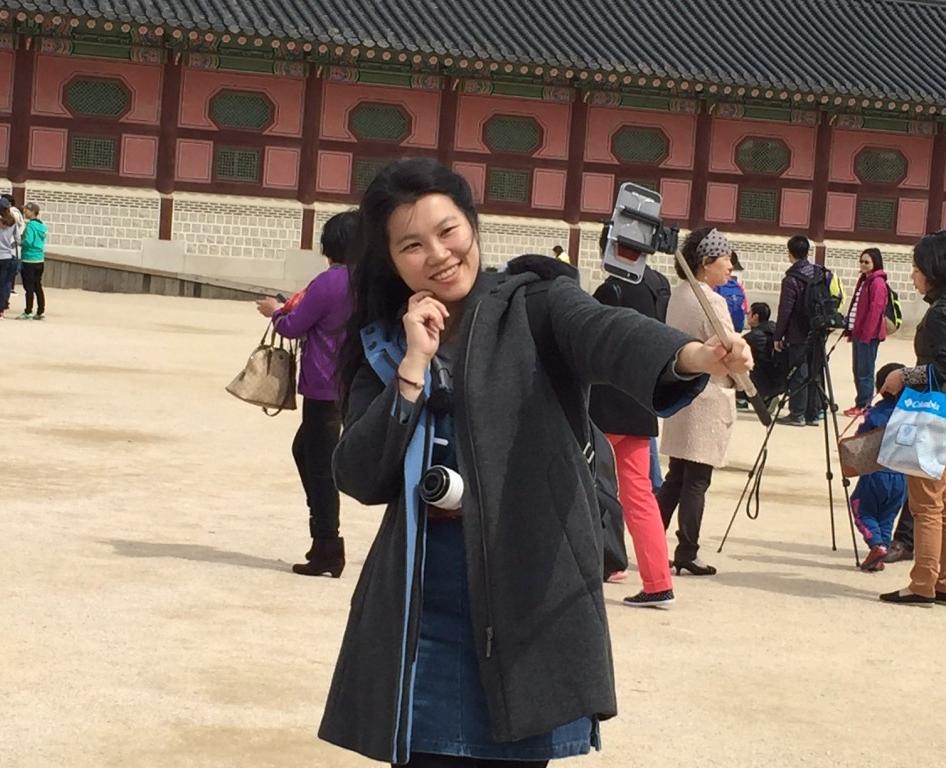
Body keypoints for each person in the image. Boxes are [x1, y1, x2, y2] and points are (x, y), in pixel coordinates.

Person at [317, 158, 751, 766]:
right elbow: (360, 476)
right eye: (412, 245)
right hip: (422, 614)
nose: (438, 254)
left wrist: (690, 355)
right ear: (390, 259)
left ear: (472, 225)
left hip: (527, 604)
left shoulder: (535, 304)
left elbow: (605, 331)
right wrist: (412, 369)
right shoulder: (385, 342)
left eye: (448, 231)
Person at [255, 211, 357, 578]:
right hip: (350, 382)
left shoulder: (330, 281)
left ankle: (328, 544)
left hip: (323, 381)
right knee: (308, 451)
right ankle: (324, 538)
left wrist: (274, 313)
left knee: (319, 463)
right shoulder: (369, 282)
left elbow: (295, 326)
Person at [878, 231, 946, 606]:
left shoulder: (945, 312)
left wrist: (904, 375)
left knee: (927, 506)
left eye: (916, 270)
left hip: (939, 418)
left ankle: (922, 584)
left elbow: (945, 368)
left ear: (933, 272)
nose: (913, 277)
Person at [589, 226, 676, 607]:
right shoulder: (659, 286)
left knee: (589, 485)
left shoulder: (612, 290)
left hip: (606, 402)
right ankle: (658, 581)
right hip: (640, 400)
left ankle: (606, 561)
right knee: (639, 494)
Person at [657, 228, 738, 577]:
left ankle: (652, 539)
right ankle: (687, 550)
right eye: (726, 260)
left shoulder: (678, 294)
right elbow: (728, 347)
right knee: (696, 479)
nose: (731, 267)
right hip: (706, 394)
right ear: (706, 263)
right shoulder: (711, 300)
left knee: (677, 475)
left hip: (682, 390)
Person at [774, 235, 841, 427]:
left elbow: (785, 310)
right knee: (815, 372)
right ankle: (814, 413)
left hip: (798, 332)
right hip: (818, 329)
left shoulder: (791, 279)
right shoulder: (819, 273)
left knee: (799, 373)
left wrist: (778, 336)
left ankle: (797, 413)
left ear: (790, 253)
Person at [850, 362, 908, 571]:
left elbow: (861, 439)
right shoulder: (911, 415)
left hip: (876, 472)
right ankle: (880, 554)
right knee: (887, 516)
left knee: (861, 507)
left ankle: (876, 544)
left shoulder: (875, 413)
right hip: (902, 477)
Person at [843, 248, 890, 416]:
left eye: (867, 262)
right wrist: (851, 330)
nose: (863, 264)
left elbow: (875, 311)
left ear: (875, 263)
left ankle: (865, 405)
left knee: (865, 371)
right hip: (858, 333)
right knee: (857, 369)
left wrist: (866, 334)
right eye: (861, 261)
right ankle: (860, 402)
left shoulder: (877, 283)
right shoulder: (864, 280)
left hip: (868, 335)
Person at [744, 302, 785, 409]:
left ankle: (762, 397)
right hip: (780, 378)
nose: (747, 316)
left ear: (755, 316)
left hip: (761, 380)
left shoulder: (752, 337)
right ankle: (768, 397)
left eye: (749, 313)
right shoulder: (775, 330)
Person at [18, 203, 48, 320]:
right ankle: (41, 311)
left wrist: (20, 241)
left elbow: (28, 241)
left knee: (29, 287)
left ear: (33, 212)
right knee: (38, 286)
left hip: (29, 259)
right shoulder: (42, 226)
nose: (25, 212)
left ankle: (28, 311)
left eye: (27, 210)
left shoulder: (30, 226)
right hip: (39, 259)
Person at [714, 250, 749, 332]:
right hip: (736, 330)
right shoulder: (738, 286)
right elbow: (746, 309)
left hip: (720, 330)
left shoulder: (714, 285)